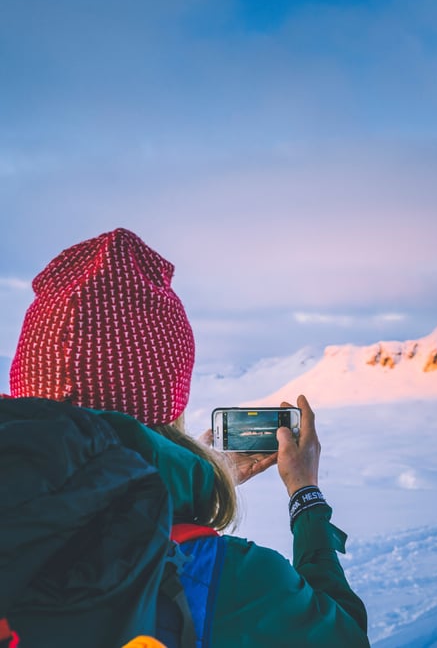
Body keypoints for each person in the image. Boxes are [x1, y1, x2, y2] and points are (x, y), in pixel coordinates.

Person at [6, 228, 369, 647]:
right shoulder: (229, 580)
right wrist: (305, 496)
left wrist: (186, 480)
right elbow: (346, 636)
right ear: (168, 408)